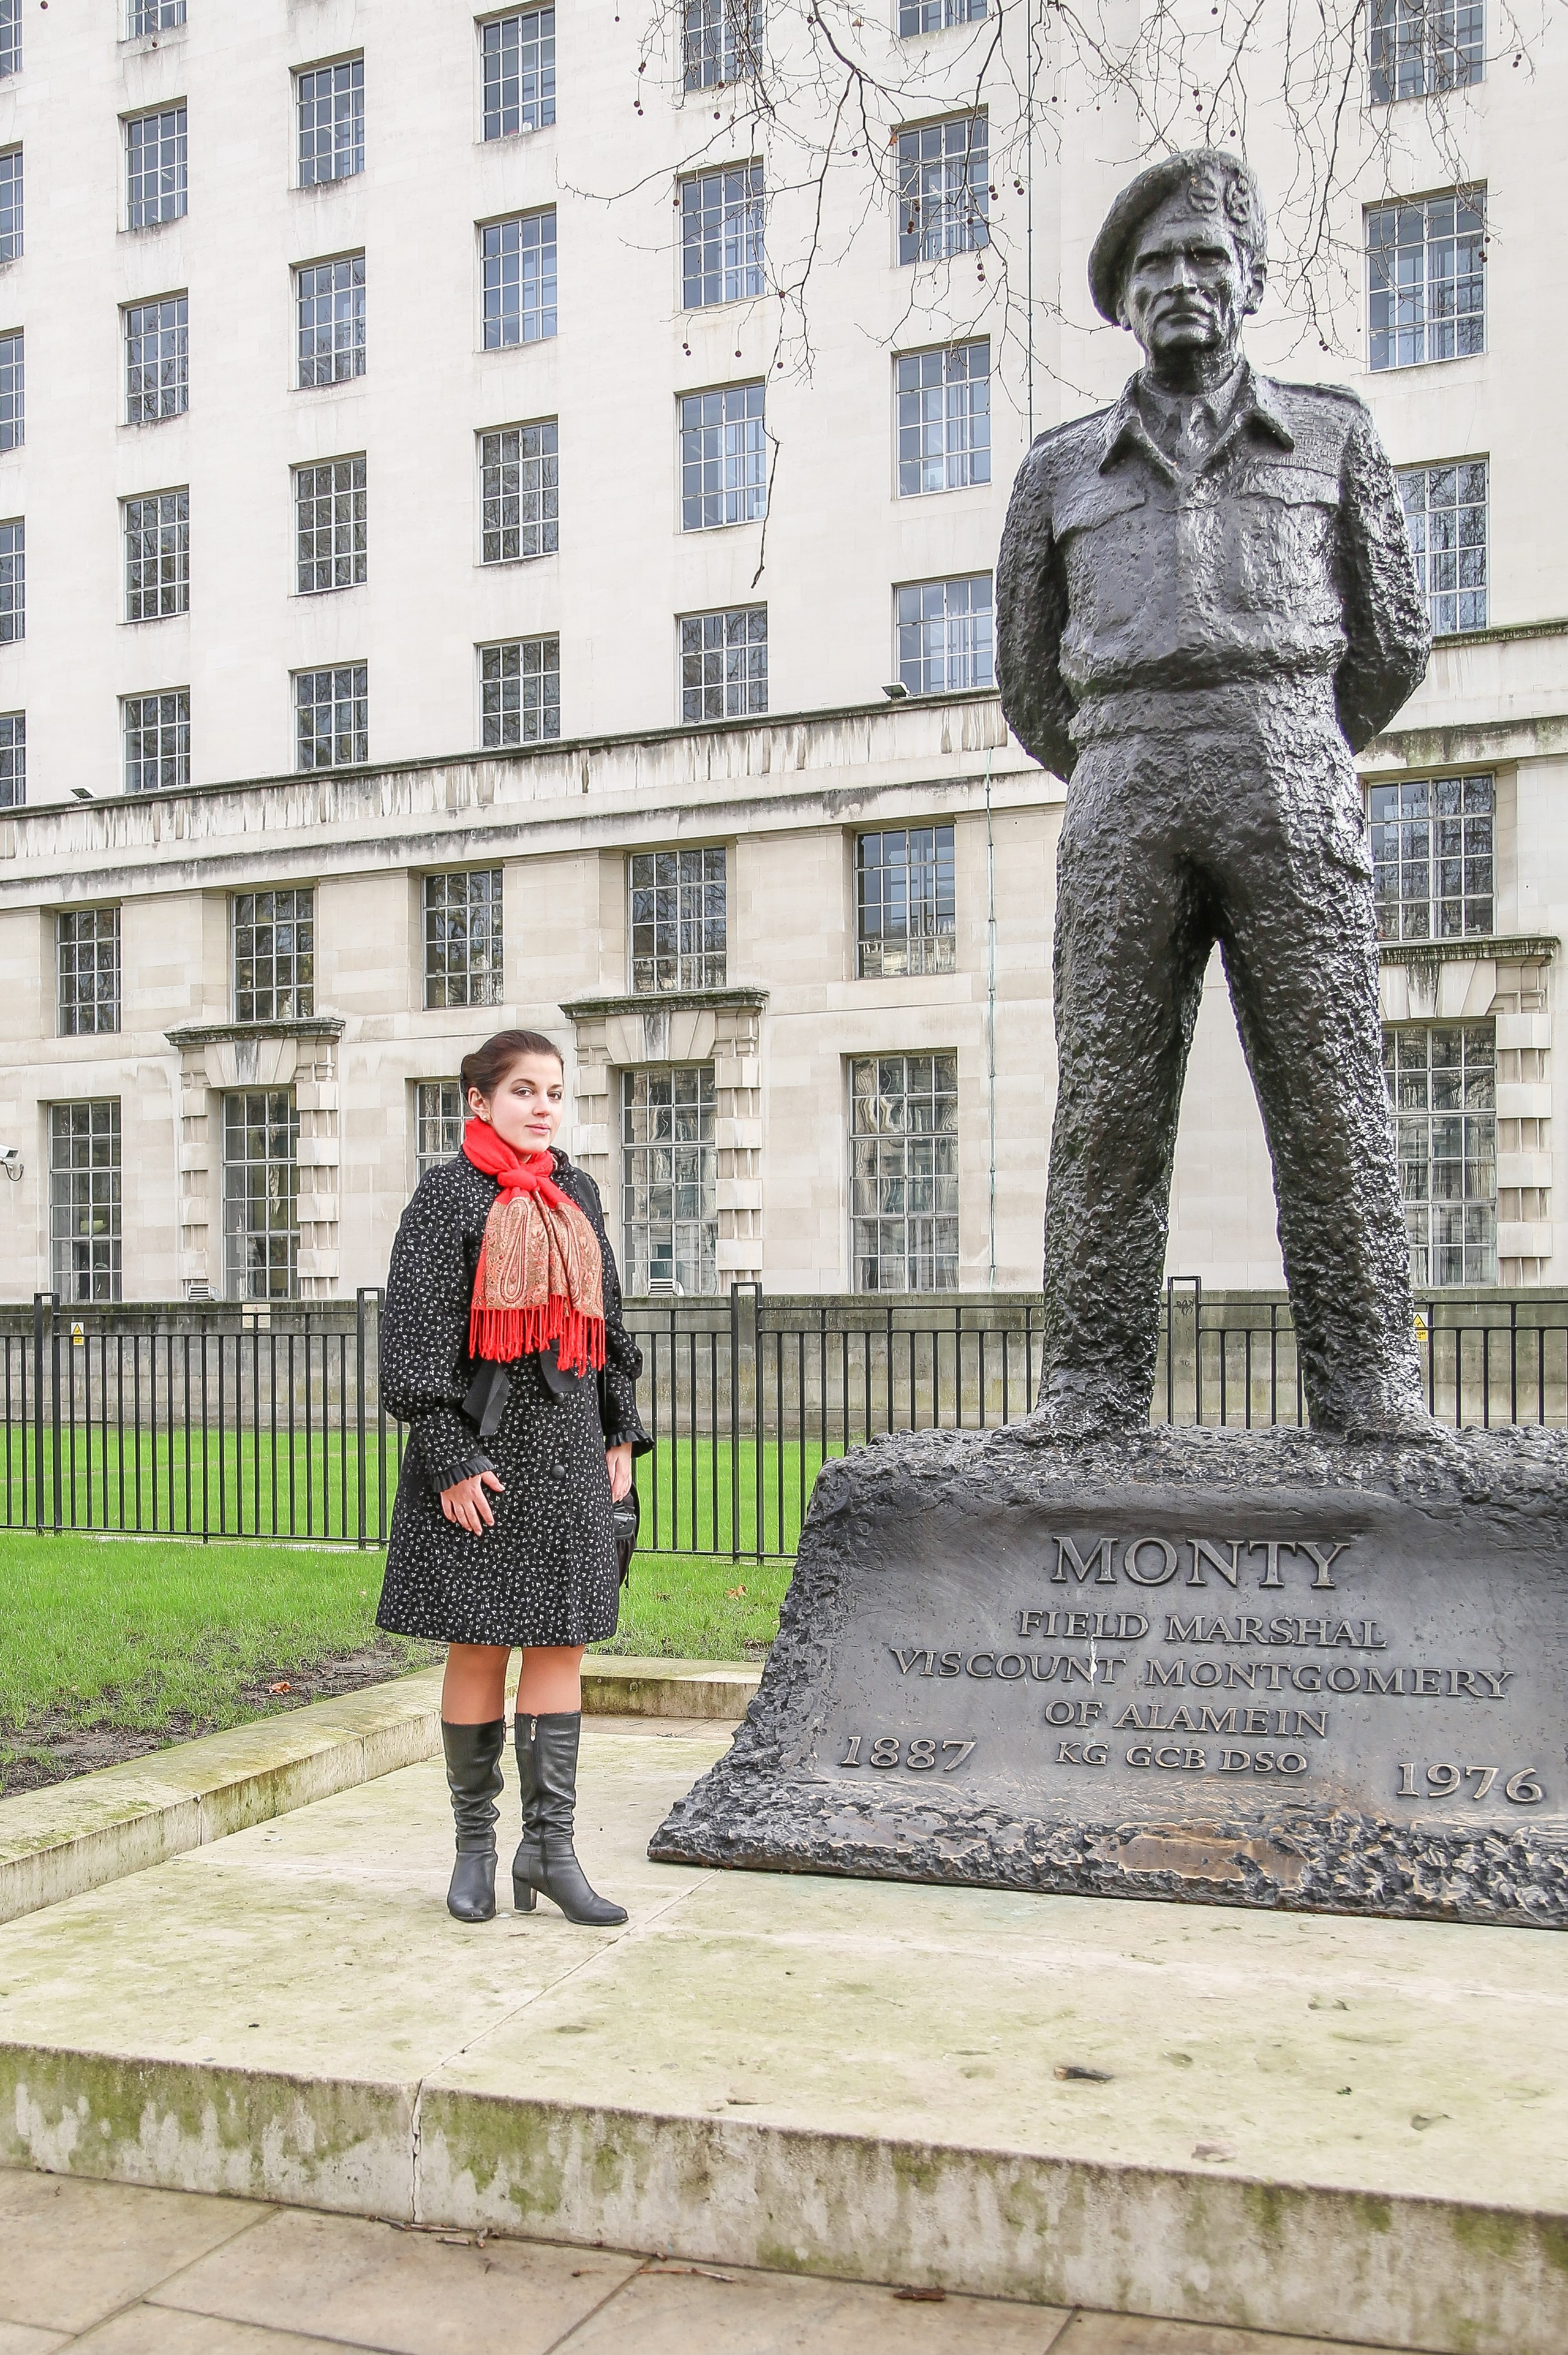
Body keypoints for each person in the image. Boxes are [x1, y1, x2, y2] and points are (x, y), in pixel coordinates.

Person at [995, 147, 1432, 1437]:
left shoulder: (1335, 433)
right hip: (1124, 776)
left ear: (1247, 280)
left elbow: (1393, 642)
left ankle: (1366, 1383)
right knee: (1108, 1101)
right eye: (1152, 267)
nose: (1180, 282)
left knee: (1330, 1086)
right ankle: (1087, 1383)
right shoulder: (1057, 470)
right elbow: (1029, 684)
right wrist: (1133, 751)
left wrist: (1284, 730)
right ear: (1121, 302)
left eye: (1203, 259)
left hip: (1288, 761)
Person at [376, 1028, 650, 1927]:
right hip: (481, 1455)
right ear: (479, 1101)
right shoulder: (445, 1196)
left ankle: (551, 1849)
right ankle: (476, 1850)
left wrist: (621, 1432)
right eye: (524, 1090)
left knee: (560, 1643)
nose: (543, 1106)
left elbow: (604, 1317)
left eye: (554, 1092)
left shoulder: (577, 1191)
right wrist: (451, 1460)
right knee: (479, 1646)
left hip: (569, 1444)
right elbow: (413, 1345)